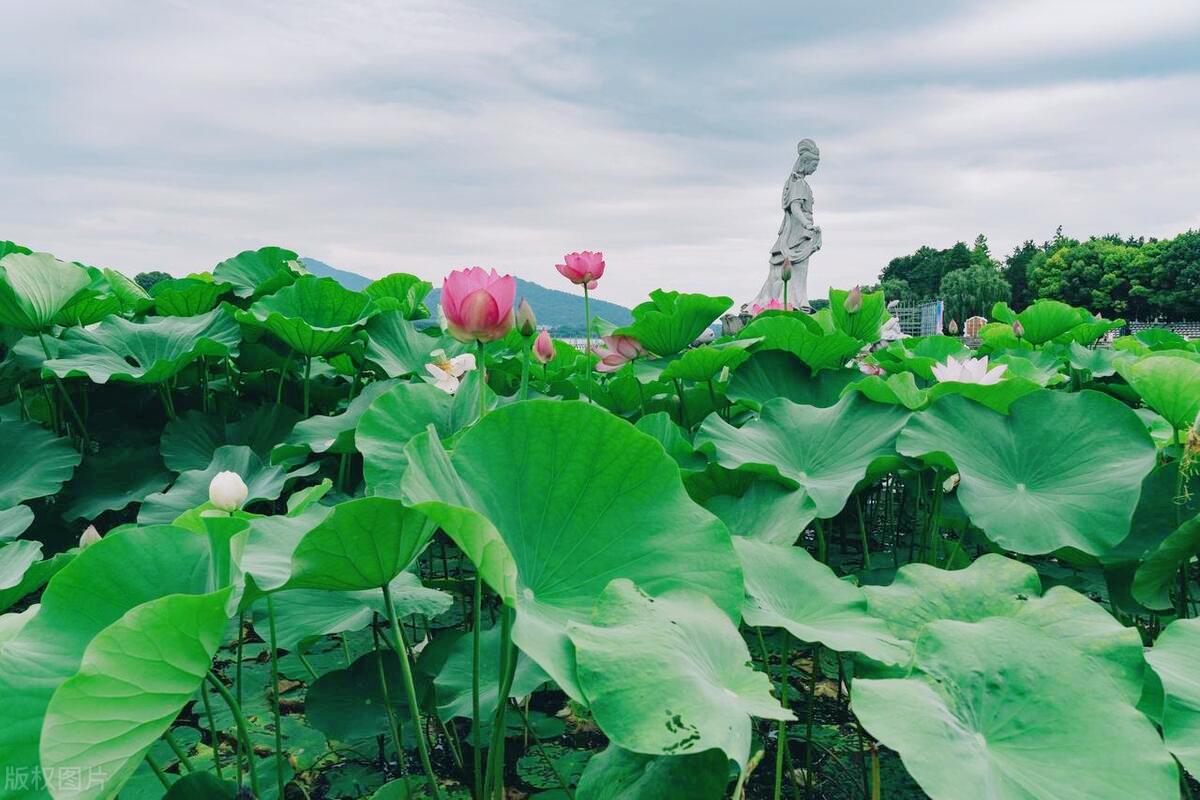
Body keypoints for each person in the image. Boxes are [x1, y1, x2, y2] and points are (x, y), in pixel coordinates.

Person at [751, 138, 822, 310]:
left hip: (797, 230)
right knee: (796, 269)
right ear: (805, 162)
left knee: (792, 269)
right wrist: (807, 224)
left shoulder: (796, 181)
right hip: (798, 231)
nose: (815, 168)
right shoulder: (798, 182)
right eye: (814, 165)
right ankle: (793, 302)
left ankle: (792, 300)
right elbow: (795, 207)